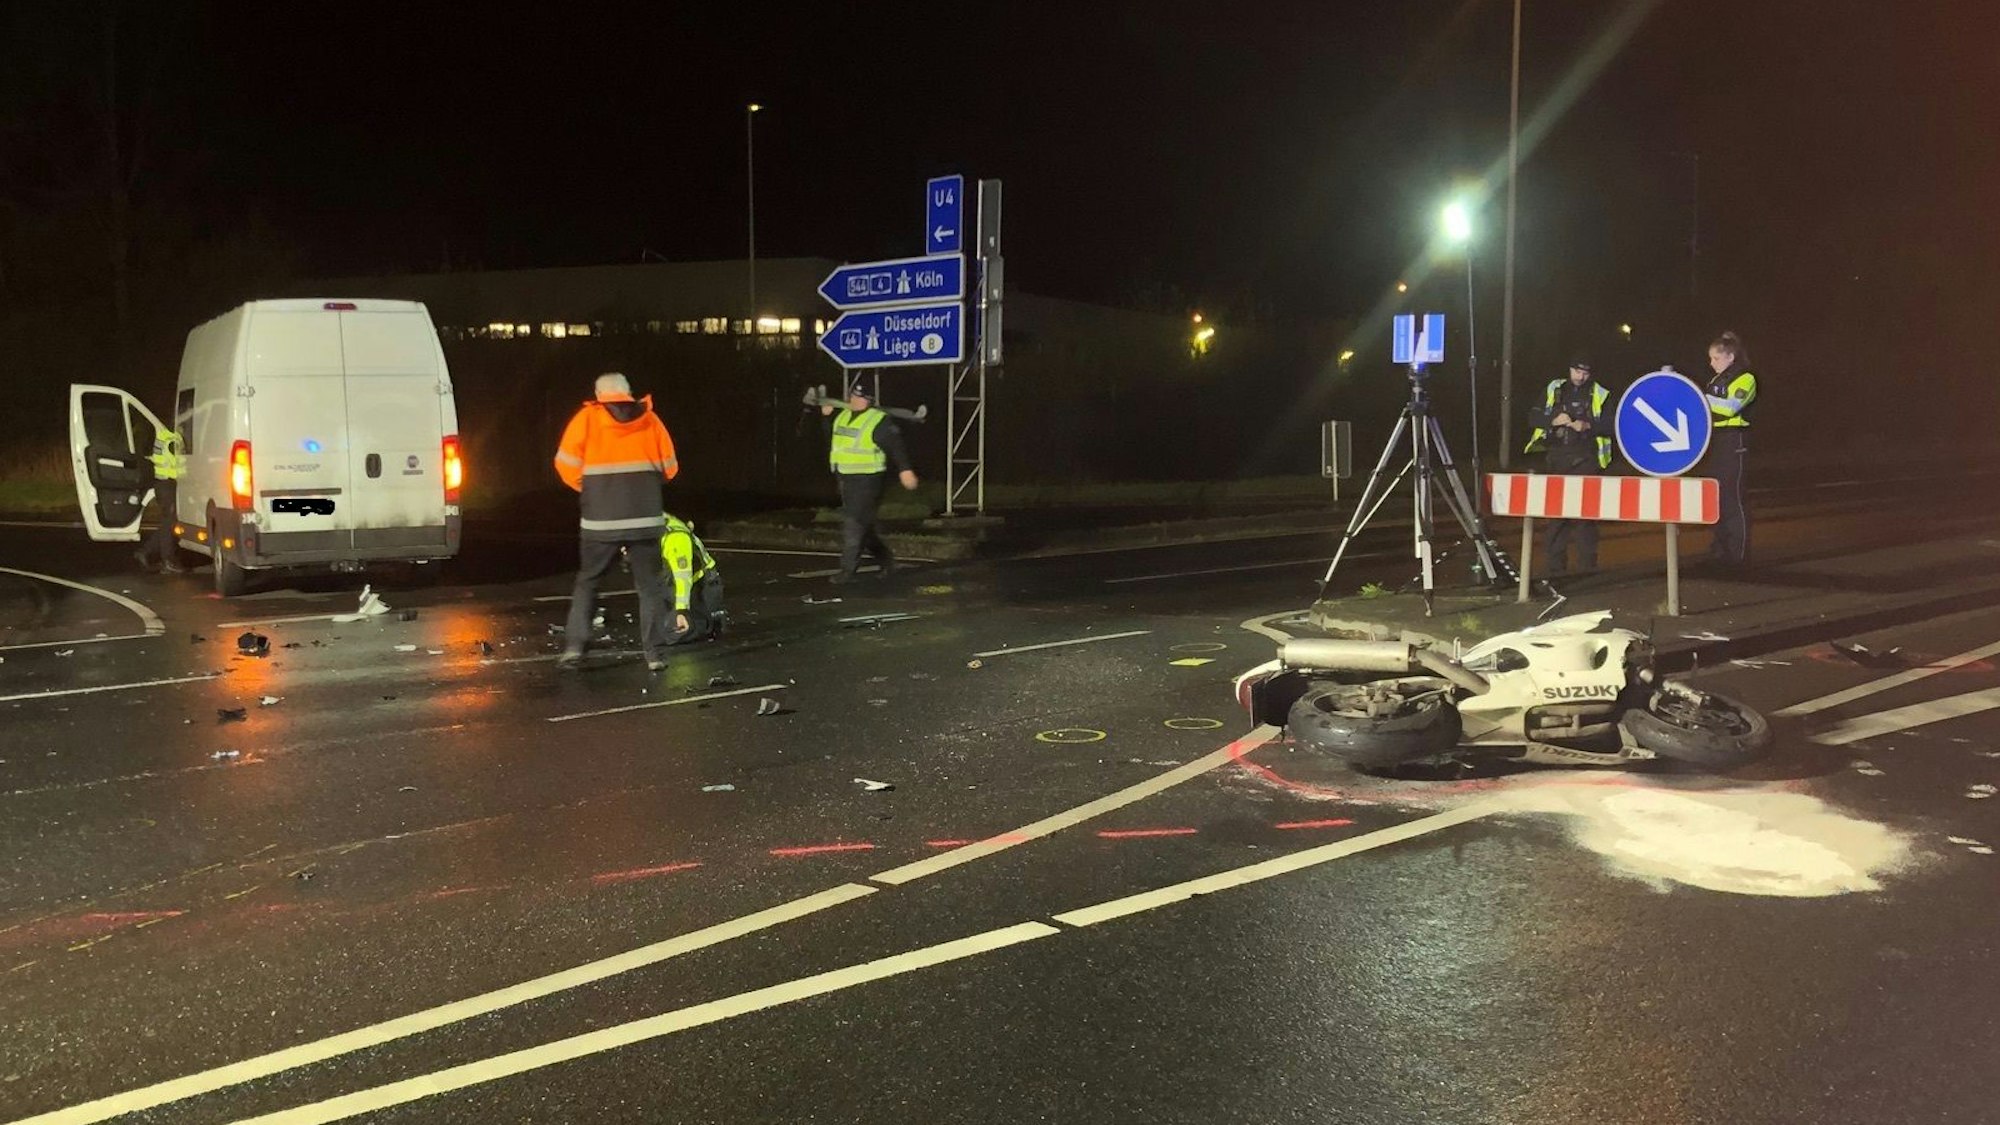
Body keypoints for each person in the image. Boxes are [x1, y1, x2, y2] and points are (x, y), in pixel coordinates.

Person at [553, 372, 679, 670]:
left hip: (600, 520)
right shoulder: (651, 419)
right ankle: (655, 655)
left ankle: (575, 648)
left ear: (599, 395)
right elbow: (670, 468)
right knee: (649, 586)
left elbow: (565, 464)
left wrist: (593, 489)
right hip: (645, 517)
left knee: (588, 581)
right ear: (627, 392)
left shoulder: (586, 419)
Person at [821, 382, 918, 584]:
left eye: (861, 398)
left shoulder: (878, 420)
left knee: (853, 523)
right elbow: (833, 438)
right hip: (845, 478)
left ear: (870, 401)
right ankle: (886, 561)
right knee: (862, 524)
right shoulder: (843, 415)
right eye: (854, 396)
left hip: (868, 480)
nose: (856, 400)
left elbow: (896, 445)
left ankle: (847, 571)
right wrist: (826, 416)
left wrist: (905, 470)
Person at [1523, 356, 1612, 574]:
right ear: (1570, 369)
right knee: (1557, 518)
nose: (1581, 377)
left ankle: (1587, 568)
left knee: (1584, 518)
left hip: (1586, 459)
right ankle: (1555, 570)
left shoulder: (1601, 393)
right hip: (1557, 458)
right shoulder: (1555, 389)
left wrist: (1588, 425)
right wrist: (1553, 420)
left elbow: (1612, 424)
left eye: (1586, 373)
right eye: (1577, 371)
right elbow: (1533, 417)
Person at [1702, 330, 1758, 566]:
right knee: (1716, 497)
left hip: (1735, 441)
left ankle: (1738, 555)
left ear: (1730, 357)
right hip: (1717, 441)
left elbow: (1730, 407)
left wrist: (1701, 398)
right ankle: (1719, 550)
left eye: (1716, 358)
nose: (1711, 363)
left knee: (1733, 498)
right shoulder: (1716, 380)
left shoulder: (1746, 379)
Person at [646, 512, 725, 651]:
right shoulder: (653, 523)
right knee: (656, 628)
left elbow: (683, 577)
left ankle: (705, 621)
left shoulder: (675, 538)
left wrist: (681, 610)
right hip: (675, 583)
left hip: (700, 586)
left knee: (673, 633)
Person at [136, 423, 187, 574]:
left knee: (168, 523)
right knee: (170, 523)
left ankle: (146, 552)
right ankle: (168, 560)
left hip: (163, 484)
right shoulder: (173, 440)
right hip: (168, 484)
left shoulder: (164, 435)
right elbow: (180, 461)